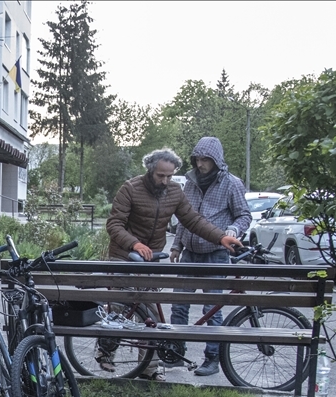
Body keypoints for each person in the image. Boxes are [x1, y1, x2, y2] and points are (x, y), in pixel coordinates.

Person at [98, 148, 242, 380]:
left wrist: (220, 237)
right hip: (124, 253)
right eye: (160, 176)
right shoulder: (130, 188)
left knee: (151, 315)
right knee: (118, 307)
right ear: (150, 171)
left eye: (169, 176)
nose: (165, 181)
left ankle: (149, 370)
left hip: (151, 255)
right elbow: (114, 224)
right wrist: (134, 244)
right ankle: (105, 353)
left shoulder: (175, 191)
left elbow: (193, 220)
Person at [168, 137, 252, 376]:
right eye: (197, 158)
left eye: (206, 159)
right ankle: (175, 352)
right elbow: (186, 218)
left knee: (213, 308)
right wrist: (176, 245)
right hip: (189, 254)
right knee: (179, 305)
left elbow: (244, 215)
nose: (200, 163)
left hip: (215, 254)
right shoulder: (190, 183)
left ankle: (212, 358)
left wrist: (234, 230)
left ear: (216, 160)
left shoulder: (231, 183)